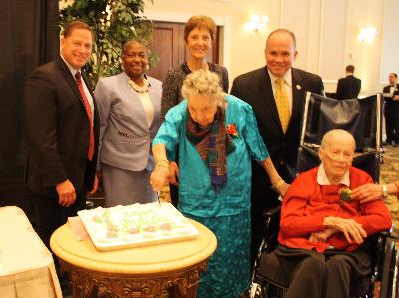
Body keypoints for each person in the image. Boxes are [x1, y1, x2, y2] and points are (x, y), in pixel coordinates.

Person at [150, 70, 287, 298]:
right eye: (193, 108)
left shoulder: (239, 109)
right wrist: (162, 165)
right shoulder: (180, 113)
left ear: (219, 99)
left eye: (206, 109)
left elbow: (258, 148)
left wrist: (277, 180)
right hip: (197, 203)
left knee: (230, 259)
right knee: (199, 261)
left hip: (234, 203)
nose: (199, 115)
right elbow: (161, 140)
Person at [257, 129, 392, 298]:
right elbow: (288, 224)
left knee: (337, 266)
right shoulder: (304, 181)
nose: (341, 159)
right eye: (335, 152)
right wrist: (328, 221)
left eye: (347, 154)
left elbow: (383, 219)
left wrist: (339, 227)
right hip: (302, 248)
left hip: (348, 252)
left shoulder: (362, 180)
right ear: (321, 154)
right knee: (313, 264)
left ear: (353, 157)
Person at [230, 28, 324, 262]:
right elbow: (234, 135)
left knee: (295, 232)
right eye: (273, 53)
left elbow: (318, 129)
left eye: (285, 53)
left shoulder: (312, 82)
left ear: (296, 54)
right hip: (257, 177)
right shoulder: (244, 84)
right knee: (256, 234)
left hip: (299, 176)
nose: (278, 59)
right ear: (265, 53)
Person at [24, 20, 99, 250]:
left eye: (87, 46)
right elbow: (41, 137)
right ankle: (58, 287)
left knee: (72, 244)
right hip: (56, 185)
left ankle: (69, 284)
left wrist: (90, 171)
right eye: (77, 43)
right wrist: (59, 180)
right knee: (55, 245)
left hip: (77, 179)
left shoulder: (81, 77)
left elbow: (86, 127)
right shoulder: (44, 78)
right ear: (62, 42)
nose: (83, 50)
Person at [160, 15, 229, 206]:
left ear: (212, 41)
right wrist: (170, 159)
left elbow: (224, 113)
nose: (200, 43)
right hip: (183, 156)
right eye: (194, 37)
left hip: (214, 155)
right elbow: (166, 119)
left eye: (205, 38)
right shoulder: (174, 75)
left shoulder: (221, 73)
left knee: (214, 205)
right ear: (186, 41)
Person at [94, 39, 162, 206]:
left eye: (141, 55)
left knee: (147, 218)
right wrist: (95, 167)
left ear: (147, 59)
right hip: (119, 166)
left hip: (150, 165)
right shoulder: (107, 86)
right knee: (121, 218)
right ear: (122, 59)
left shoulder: (159, 86)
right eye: (131, 55)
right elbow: (98, 128)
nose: (137, 59)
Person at [382, 73, 399, 146]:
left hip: (397, 110)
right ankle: (389, 139)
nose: (390, 79)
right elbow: (384, 98)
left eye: (391, 77)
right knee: (388, 126)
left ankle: (398, 141)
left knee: (397, 126)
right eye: (389, 77)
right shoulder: (385, 88)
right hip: (388, 109)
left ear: (396, 78)